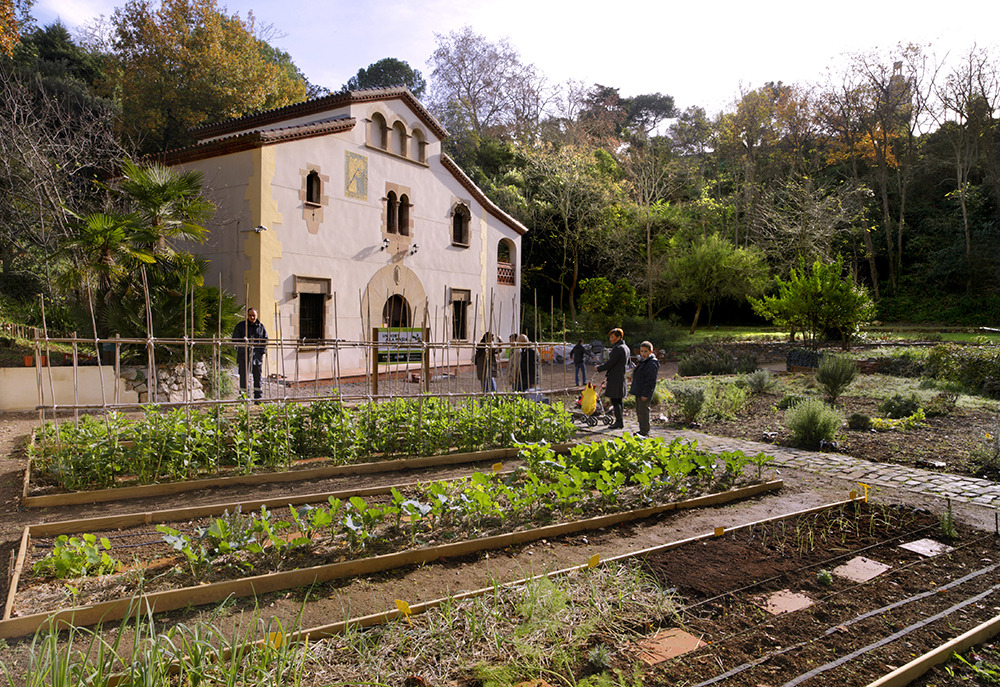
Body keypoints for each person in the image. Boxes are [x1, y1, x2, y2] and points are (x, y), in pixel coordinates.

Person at [596, 328, 629, 429]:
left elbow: (611, 363)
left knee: (615, 400)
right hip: (621, 376)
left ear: (619, 337)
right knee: (619, 400)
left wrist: (599, 368)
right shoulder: (626, 347)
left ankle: (619, 422)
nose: (611, 339)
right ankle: (620, 421)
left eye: (613, 337)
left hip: (615, 377)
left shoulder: (618, 348)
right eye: (610, 337)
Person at [233, 308, 268, 399]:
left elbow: (265, 340)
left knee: (258, 378)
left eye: (254, 315)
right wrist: (242, 349)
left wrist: (261, 352)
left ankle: (258, 397)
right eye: (250, 315)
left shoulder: (261, 327)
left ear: (257, 316)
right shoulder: (241, 326)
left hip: (256, 357)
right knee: (243, 378)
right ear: (247, 316)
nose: (252, 317)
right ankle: (244, 397)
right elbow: (235, 340)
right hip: (243, 356)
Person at [630, 340, 659, 437]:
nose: (643, 353)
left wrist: (646, 394)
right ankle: (642, 430)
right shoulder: (643, 361)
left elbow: (650, 381)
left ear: (651, 351)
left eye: (645, 351)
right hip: (639, 389)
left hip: (644, 391)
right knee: (640, 412)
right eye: (641, 351)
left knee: (644, 412)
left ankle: (645, 431)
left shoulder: (651, 363)